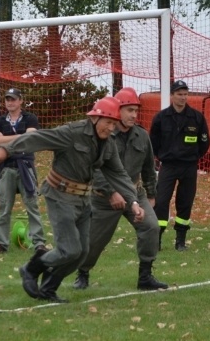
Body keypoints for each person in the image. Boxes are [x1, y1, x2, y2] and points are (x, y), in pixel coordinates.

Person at [0, 96, 144, 303]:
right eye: (108, 122)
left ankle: (48, 289)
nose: (111, 128)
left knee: (81, 254)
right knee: (69, 249)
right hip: (60, 195)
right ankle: (30, 268)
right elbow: (39, 138)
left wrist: (133, 201)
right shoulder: (72, 133)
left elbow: (119, 174)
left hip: (83, 200)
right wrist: (6, 149)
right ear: (95, 119)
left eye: (114, 124)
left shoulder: (108, 145)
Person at [72, 88, 168, 291]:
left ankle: (145, 276)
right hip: (104, 198)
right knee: (94, 240)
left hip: (134, 193)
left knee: (151, 226)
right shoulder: (103, 133)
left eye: (135, 110)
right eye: (129, 110)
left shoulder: (142, 135)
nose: (133, 115)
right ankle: (83, 273)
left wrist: (151, 195)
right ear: (117, 110)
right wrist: (110, 192)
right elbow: (92, 168)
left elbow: (149, 168)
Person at [150, 80, 210, 251]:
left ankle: (180, 241)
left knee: (185, 202)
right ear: (172, 95)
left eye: (185, 94)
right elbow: (153, 142)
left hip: (189, 167)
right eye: (179, 94)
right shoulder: (161, 118)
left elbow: (204, 142)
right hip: (167, 166)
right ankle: (157, 240)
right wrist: (157, 159)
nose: (183, 97)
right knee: (161, 202)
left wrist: (193, 157)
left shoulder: (196, 117)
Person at [0, 88, 47, 254]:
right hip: (6, 168)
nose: (10, 102)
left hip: (26, 167)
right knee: (4, 207)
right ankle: (1, 243)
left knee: (32, 206)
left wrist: (4, 142)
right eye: (7, 99)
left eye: (13, 99)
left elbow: (31, 137)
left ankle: (39, 243)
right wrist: (20, 136)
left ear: (20, 101)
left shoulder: (30, 118)